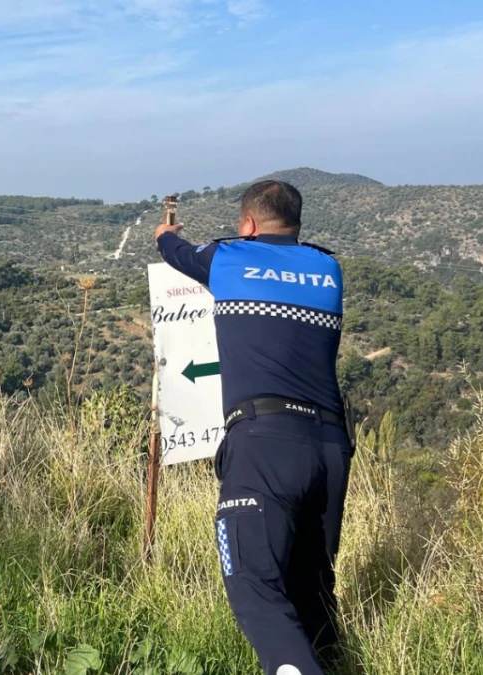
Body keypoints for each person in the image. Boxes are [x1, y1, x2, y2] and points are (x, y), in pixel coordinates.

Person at [155, 180, 352, 674]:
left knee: (254, 584)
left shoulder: (227, 258)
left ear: (246, 225)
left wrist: (164, 232)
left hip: (265, 443)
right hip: (330, 446)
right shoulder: (328, 268)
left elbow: (176, 250)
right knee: (311, 587)